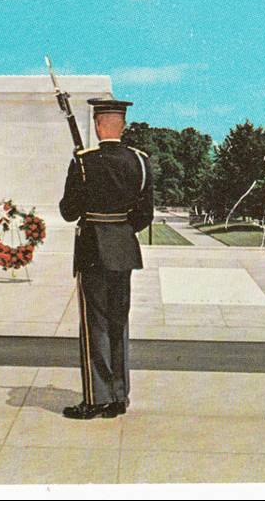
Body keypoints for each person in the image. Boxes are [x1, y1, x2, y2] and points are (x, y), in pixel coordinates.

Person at [58, 98, 154, 419]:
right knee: (118, 323)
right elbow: (144, 216)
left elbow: (69, 212)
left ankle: (96, 399)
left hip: (93, 250)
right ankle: (118, 396)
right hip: (124, 249)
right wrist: (120, 230)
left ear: (99, 126)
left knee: (95, 325)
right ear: (122, 126)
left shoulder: (85, 162)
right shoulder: (140, 162)